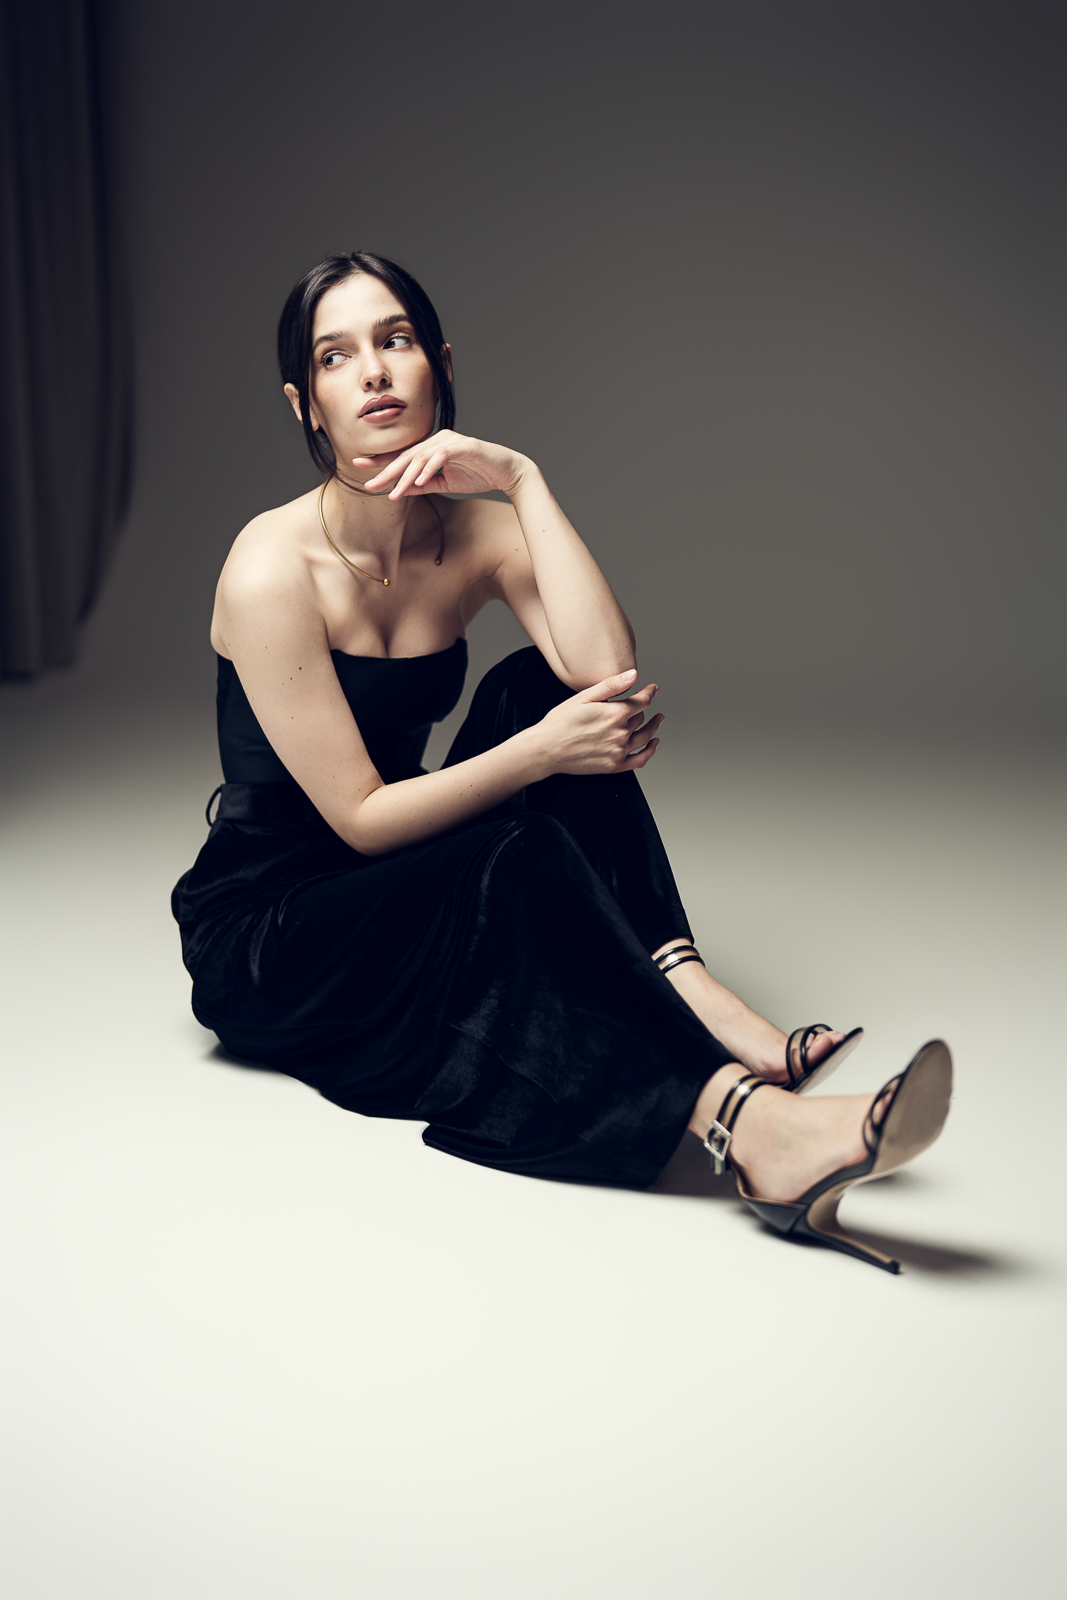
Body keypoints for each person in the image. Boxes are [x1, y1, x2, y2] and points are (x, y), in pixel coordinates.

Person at [172, 251, 952, 1273]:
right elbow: (358, 818)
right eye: (335, 356)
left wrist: (521, 479)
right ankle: (753, 1129)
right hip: (273, 928)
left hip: (389, 867)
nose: (373, 371)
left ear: (440, 364)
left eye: (395, 340)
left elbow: (604, 670)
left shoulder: (472, 532)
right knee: (523, 834)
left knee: (541, 689)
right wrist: (540, 755)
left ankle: (691, 992)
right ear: (304, 403)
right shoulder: (270, 565)